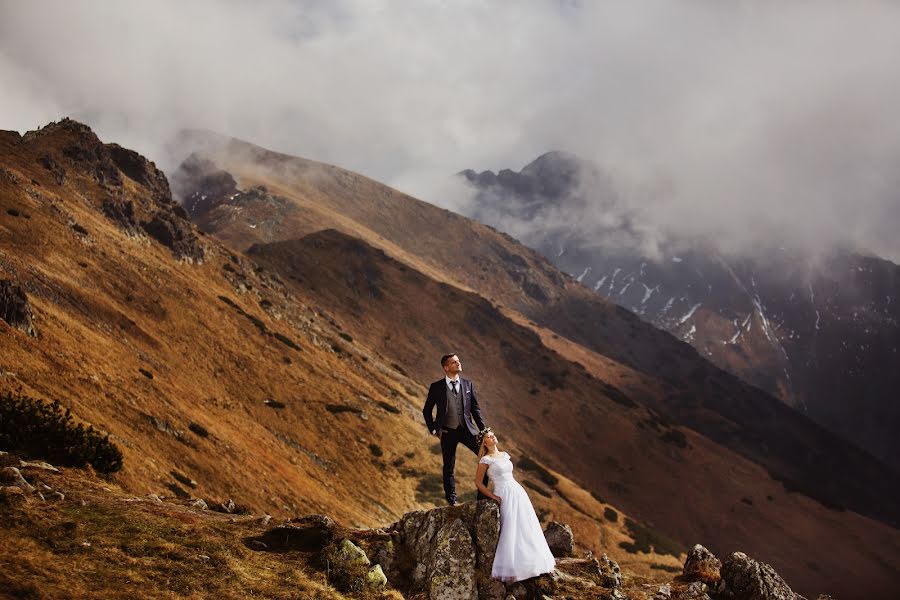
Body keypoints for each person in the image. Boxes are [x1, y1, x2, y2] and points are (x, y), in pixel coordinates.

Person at [475, 428, 557, 583]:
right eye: (488, 437)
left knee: (526, 524)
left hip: (517, 491)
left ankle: (533, 560)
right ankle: (513, 566)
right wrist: (492, 495)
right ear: (484, 443)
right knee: (510, 527)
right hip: (503, 493)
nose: (492, 437)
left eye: (493, 435)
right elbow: (478, 482)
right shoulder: (485, 460)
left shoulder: (505, 455)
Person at [422, 353, 488, 505]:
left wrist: (484, 431)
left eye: (458, 361)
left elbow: (475, 410)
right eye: (454, 362)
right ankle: (452, 500)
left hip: (467, 430)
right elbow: (427, 410)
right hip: (447, 432)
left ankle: (481, 498)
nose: (458, 364)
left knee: (486, 458)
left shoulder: (468, 385)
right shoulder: (436, 387)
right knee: (449, 466)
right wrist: (433, 429)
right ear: (446, 367)